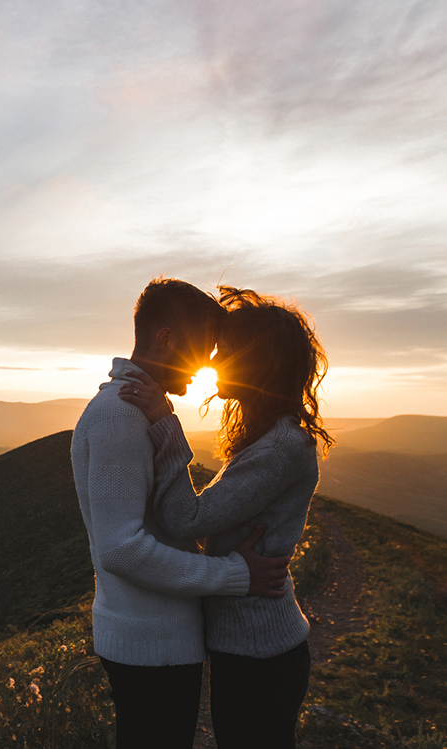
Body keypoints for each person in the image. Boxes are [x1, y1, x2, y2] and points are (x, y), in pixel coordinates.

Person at [71, 278, 291, 749]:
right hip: (150, 648)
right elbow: (121, 549)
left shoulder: (137, 409)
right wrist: (235, 576)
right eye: (203, 348)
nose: (208, 363)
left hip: (154, 643)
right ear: (166, 339)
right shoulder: (122, 415)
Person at [119, 286, 333, 749]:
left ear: (258, 363)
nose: (213, 359)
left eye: (227, 351)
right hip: (251, 647)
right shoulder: (268, 438)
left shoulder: (279, 449)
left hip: (259, 651)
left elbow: (184, 517)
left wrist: (164, 422)